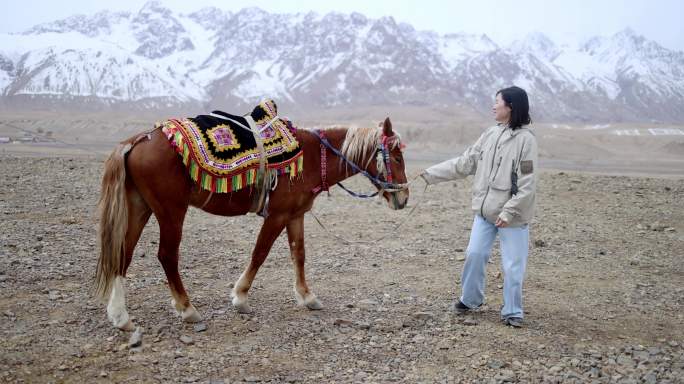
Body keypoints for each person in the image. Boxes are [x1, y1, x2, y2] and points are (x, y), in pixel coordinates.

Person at [421, 86, 538, 328]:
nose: (493, 106)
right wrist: (429, 174)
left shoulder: (526, 141)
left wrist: (509, 212)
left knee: (513, 265)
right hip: (485, 214)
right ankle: (471, 300)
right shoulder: (489, 134)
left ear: (511, 107)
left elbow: (527, 185)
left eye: (497, 102)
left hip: (512, 217)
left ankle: (513, 311)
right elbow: (465, 163)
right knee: (474, 255)